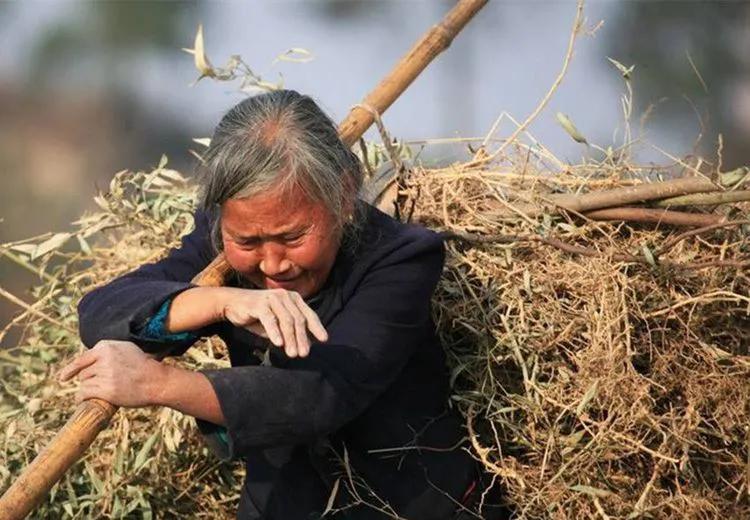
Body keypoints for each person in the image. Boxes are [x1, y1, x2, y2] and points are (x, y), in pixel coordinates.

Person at [57, 90, 481, 519]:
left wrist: (156, 385)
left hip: (408, 504)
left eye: (294, 237)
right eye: (248, 241)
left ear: (343, 194)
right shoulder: (219, 241)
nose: (274, 264)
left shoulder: (402, 259)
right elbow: (102, 314)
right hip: (282, 504)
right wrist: (219, 300)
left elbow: (321, 395)